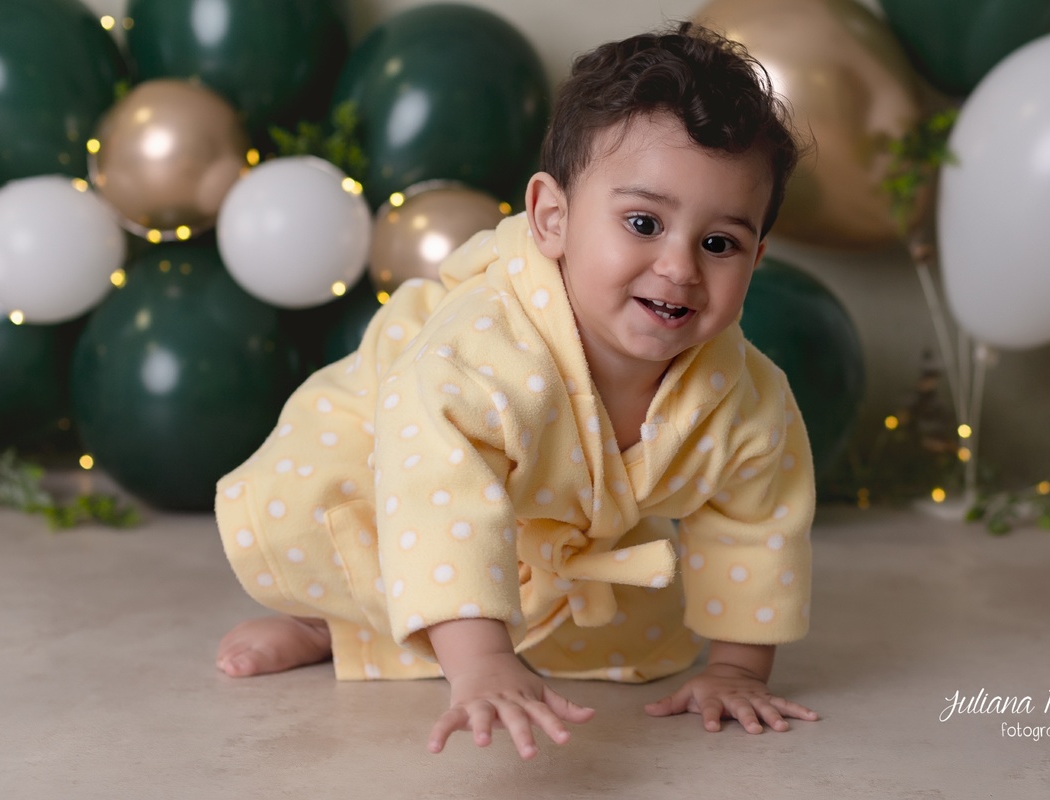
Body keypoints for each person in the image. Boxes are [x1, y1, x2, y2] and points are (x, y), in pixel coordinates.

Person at [214, 21, 819, 760]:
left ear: (755, 258)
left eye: (719, 243)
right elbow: (440, 494)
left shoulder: (742, 398)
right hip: (390, 465)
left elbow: (757, 521)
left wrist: (736, 669)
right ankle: (328, 622)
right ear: (552, 219)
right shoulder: (485, 349)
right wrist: (483, 665)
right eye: (642, 223)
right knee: (359, 535)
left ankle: (465, 626)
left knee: (632, 636)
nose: (679, 268)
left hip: (548, 517)